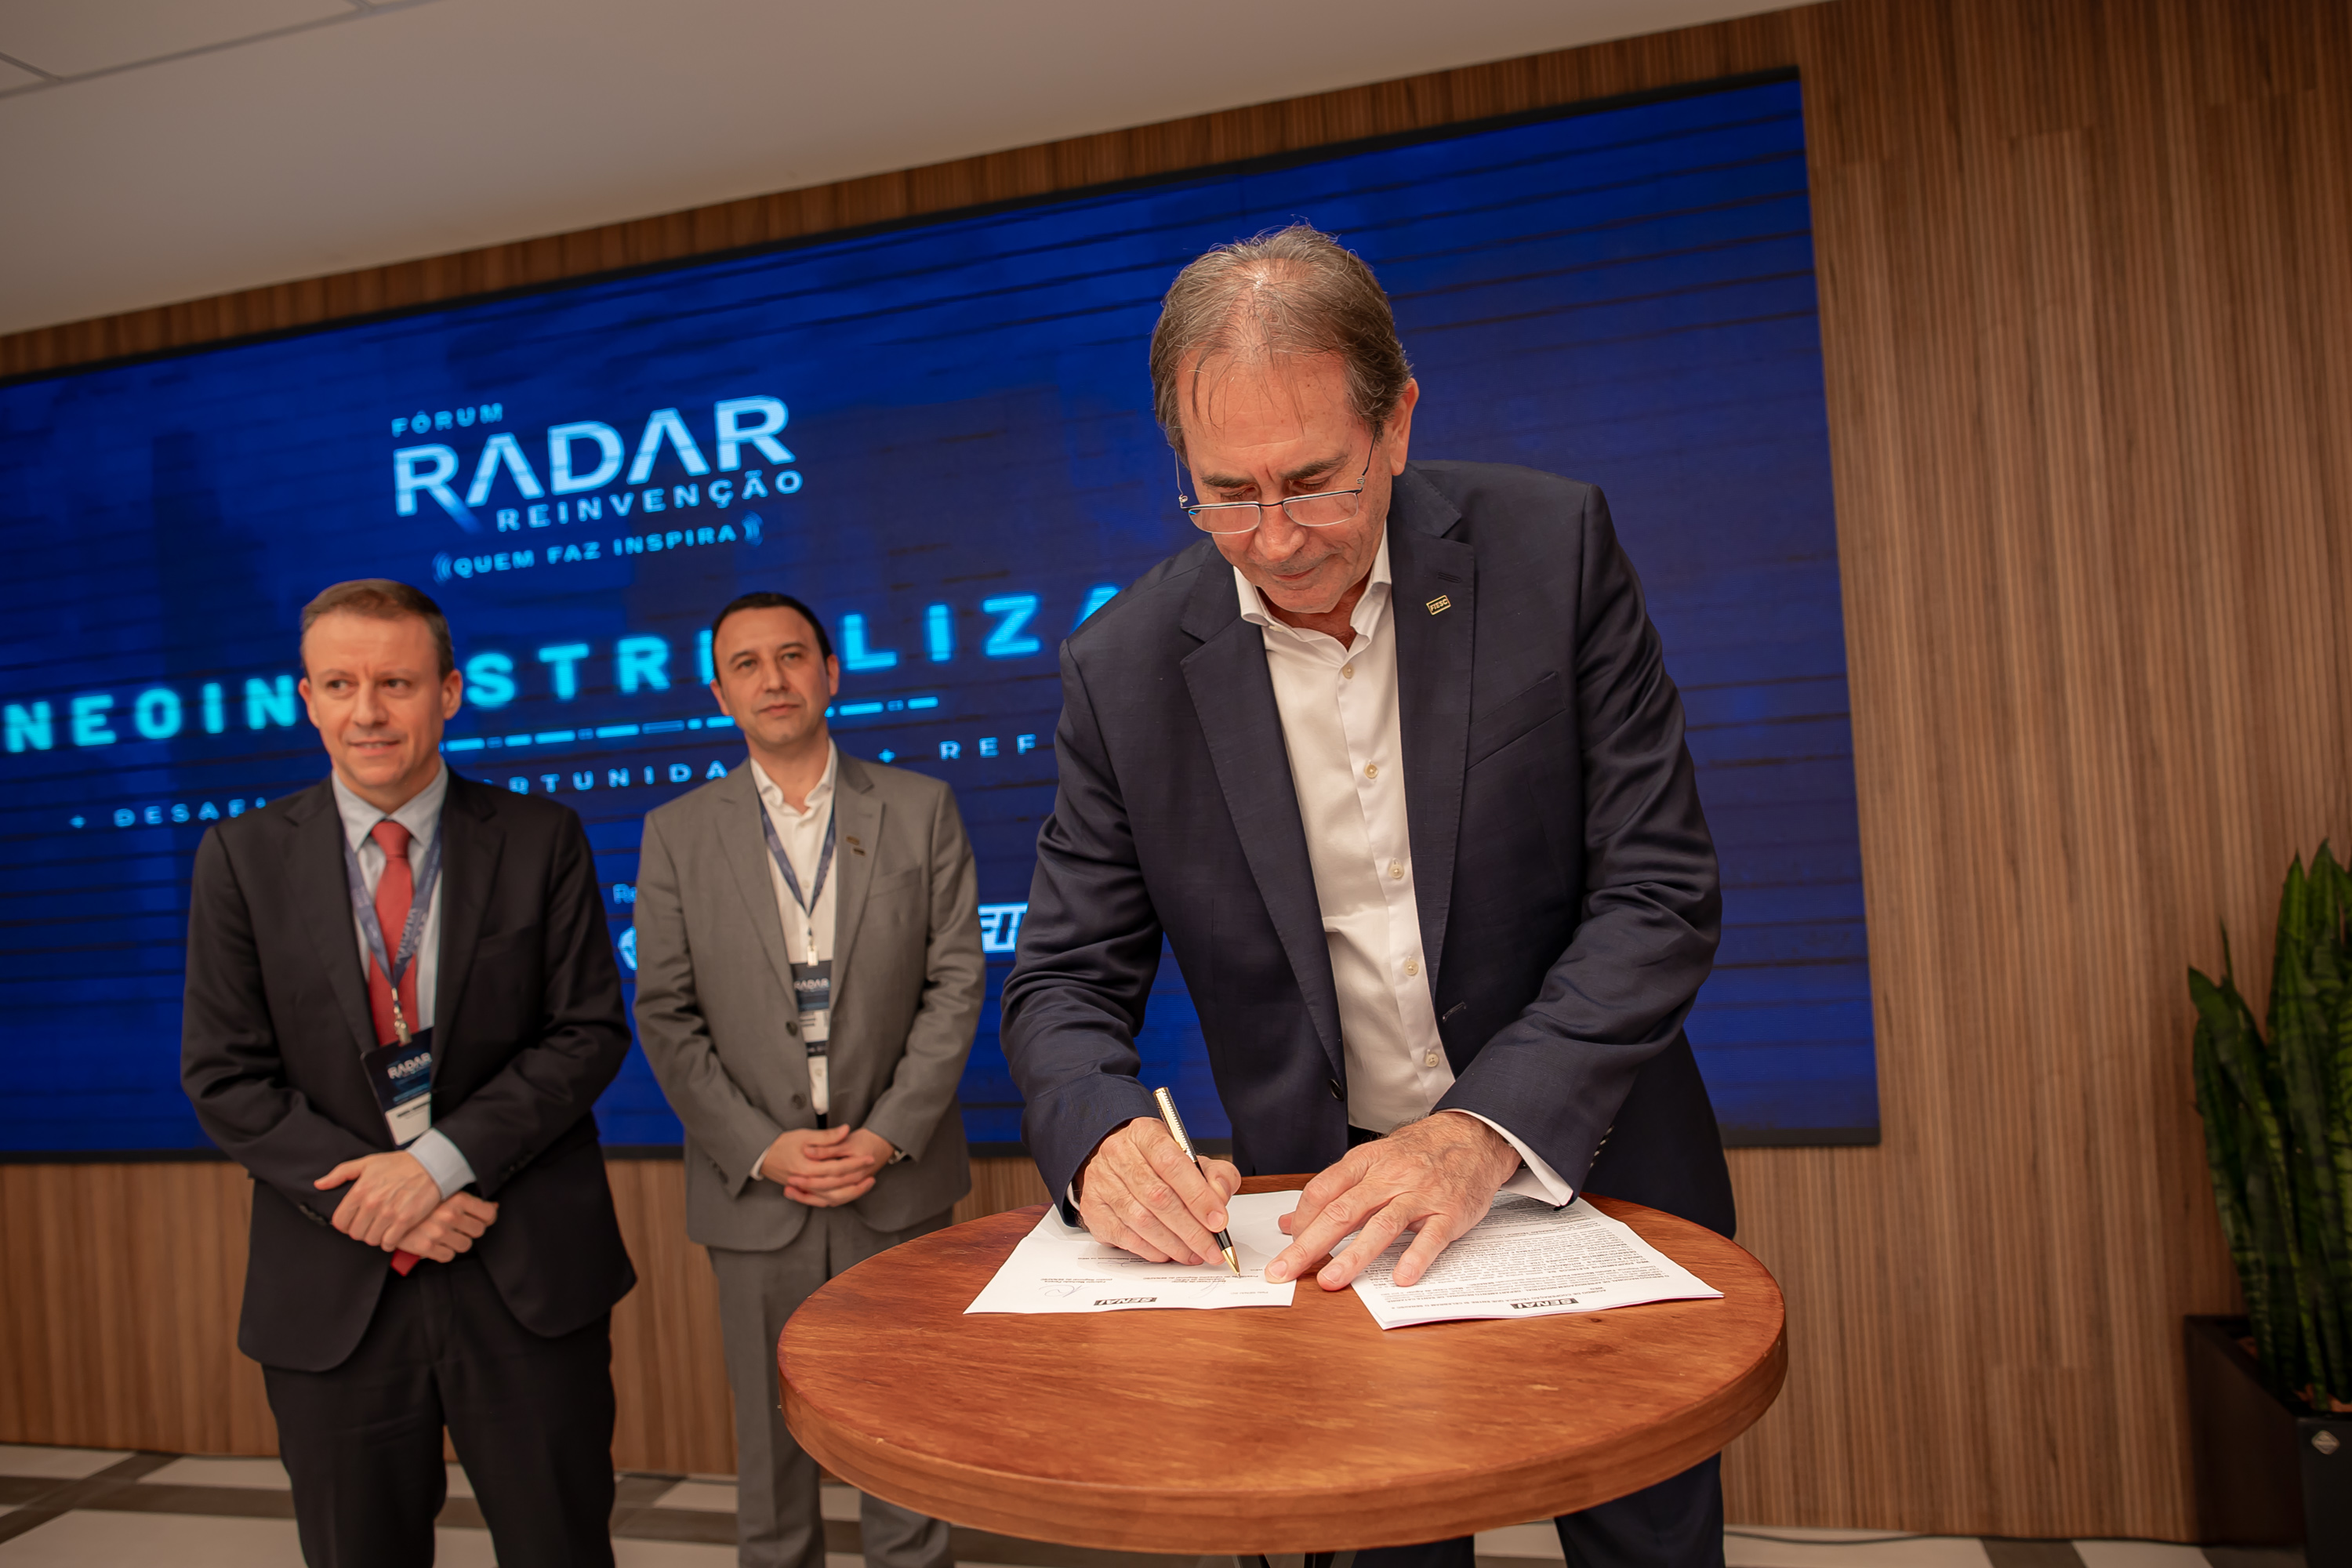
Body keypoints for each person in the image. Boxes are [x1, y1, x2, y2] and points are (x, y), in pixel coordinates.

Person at [1001, 226, 1736, 1568]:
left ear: (1396, 422)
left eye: (1312, 482)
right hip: (1329, 1223)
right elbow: (1061, 979)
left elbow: (1658, 891)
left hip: (1590, 1168)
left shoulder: (1552, 549)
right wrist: (1101, 1137)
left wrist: (1479, 1133)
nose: (1275, 541)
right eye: (1225, 495)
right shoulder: (1124, 668)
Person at [180, 579, 637, 1568]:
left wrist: (434, 1165)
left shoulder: (541, 838)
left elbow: (586, 1033)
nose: (368, 711)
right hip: (335, 1286)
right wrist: (382, 1202)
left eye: (396, 682)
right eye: (340, 684)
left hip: (522, 1270)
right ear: (306, 698)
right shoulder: (241, 856)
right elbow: (224, 1074)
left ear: (450, 692)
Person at [633, 590, 984, 1568]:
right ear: (719, 693)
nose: (772, 679)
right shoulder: (676, 831)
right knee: (771, 1451)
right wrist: (760, 1145)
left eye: (791, 656)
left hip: (896, 1178)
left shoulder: (919, 807)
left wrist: (885, 1132)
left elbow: (957, 981)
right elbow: (665, 1012)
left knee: (905, 1436)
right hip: (758, 1192)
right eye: (745, 664)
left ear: (831, 672)